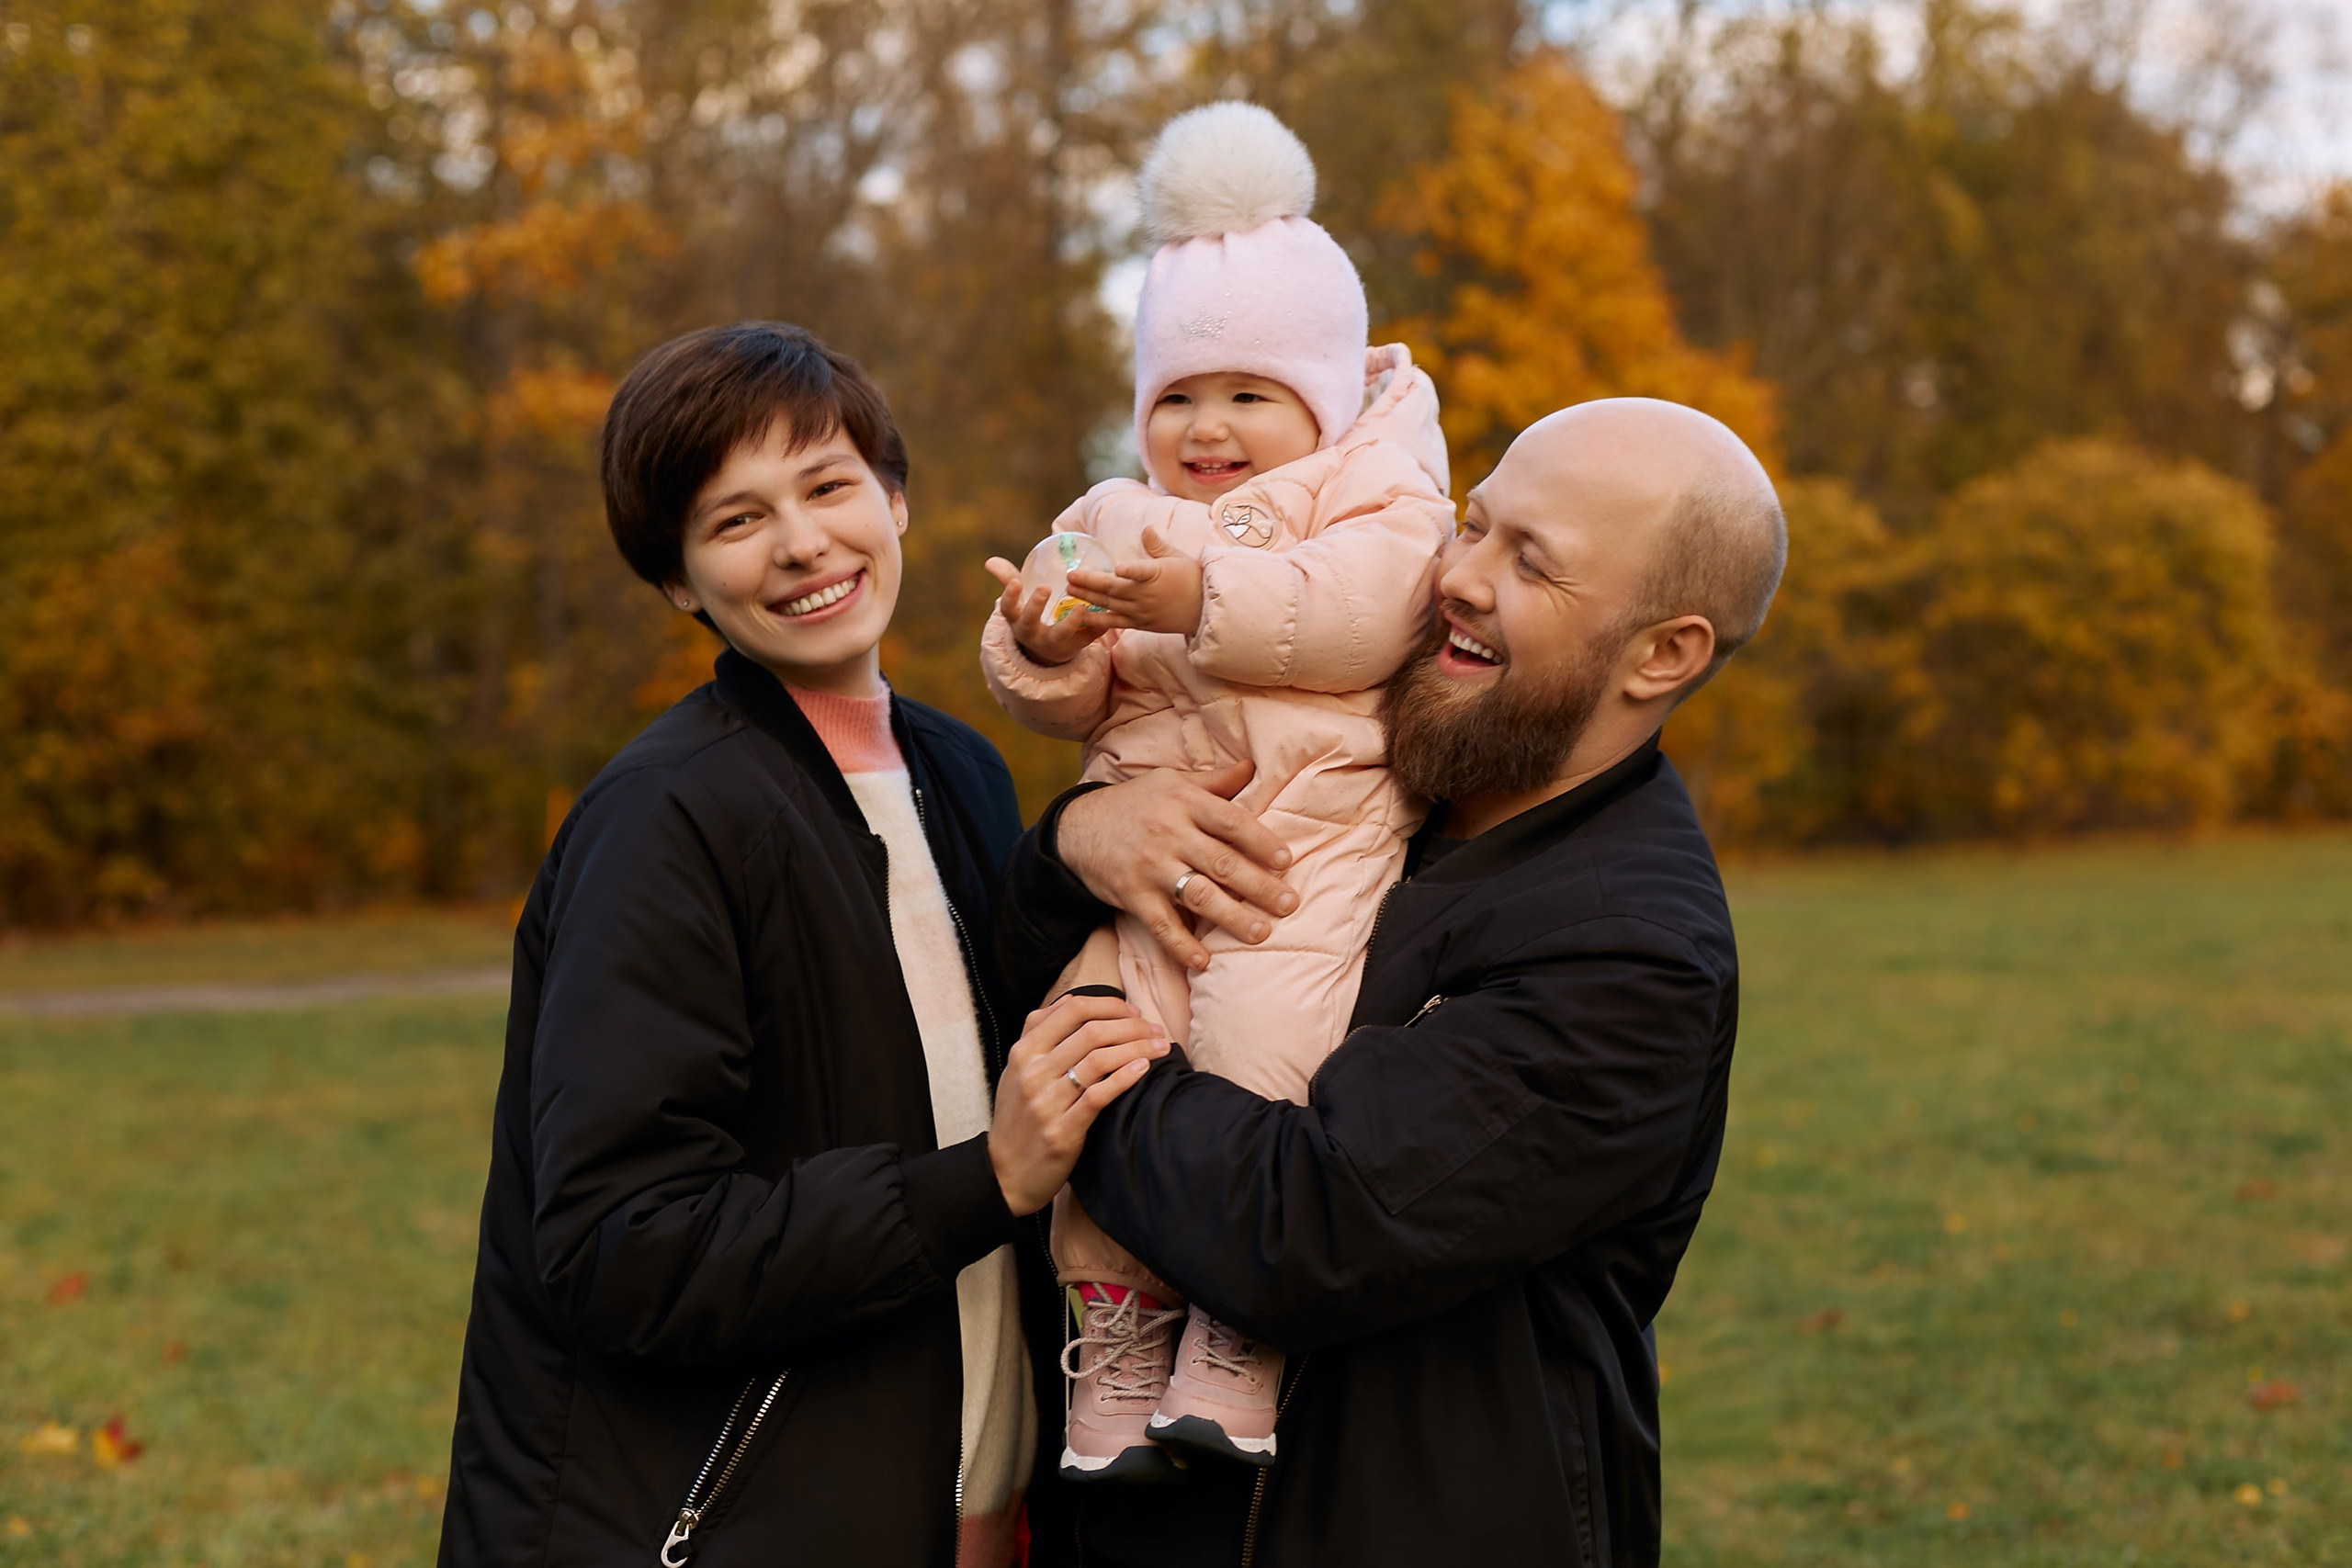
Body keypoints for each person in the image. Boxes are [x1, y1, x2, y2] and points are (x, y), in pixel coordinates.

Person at [995, 398, 1788, 1563]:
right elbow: (1031, 950)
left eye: (1531, 563)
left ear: (1663, 652)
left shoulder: (1628, 952)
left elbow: (1306, 1228)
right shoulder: (1361, 771)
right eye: (1471, 526)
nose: (1458, 577)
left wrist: (1081, 1036)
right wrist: (1076, 847)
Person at [435, 321, 1161, 1567]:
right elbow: (623, 1246)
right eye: (735, 518)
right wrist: (983, 1178)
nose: (802, 542)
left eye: (828, 485)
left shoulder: (962, 770)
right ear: (677, 577)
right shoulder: (663, 819)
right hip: (717, 1522)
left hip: (978, 1511)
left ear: (895, 497)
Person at [978, 102, 1454, 1483]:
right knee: (1089, 1057)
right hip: (1140, 874)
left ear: (1319, 393)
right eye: (1176, 397)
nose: (1207, 425)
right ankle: (1118, 1339)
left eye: (1248, 392)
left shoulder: (1383, 498)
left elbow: (1360, 614)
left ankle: (1240, 1336)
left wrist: (1203, 592)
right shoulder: (1115, 512)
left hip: (1299, 858)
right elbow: (1045, 665)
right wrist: (1047, 643)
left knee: (1262, 1061)